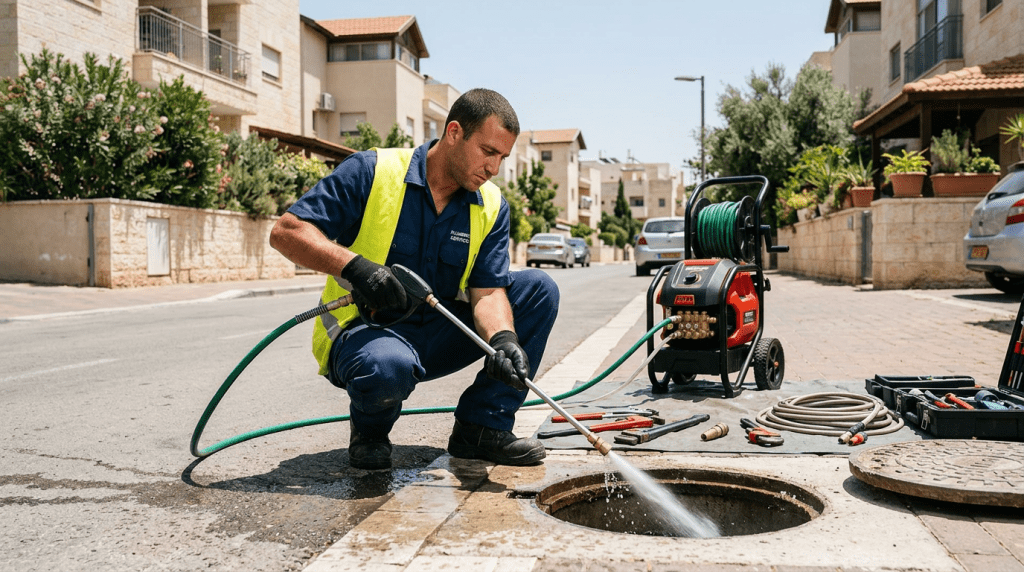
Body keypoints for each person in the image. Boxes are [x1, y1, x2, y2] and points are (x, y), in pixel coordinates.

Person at [269, 88, 559, 470]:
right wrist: (355, 267)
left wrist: (504, 340)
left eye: (502, 157)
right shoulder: (372, 171)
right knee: (389, 365)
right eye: (488, 152)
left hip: (439, 333)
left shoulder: (491, 205)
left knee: (539, 290)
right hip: (367, 334)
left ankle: (482, 428)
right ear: (454, 132)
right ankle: (370, 432)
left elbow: (487, 290)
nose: (494, 169)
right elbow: (287, 232)